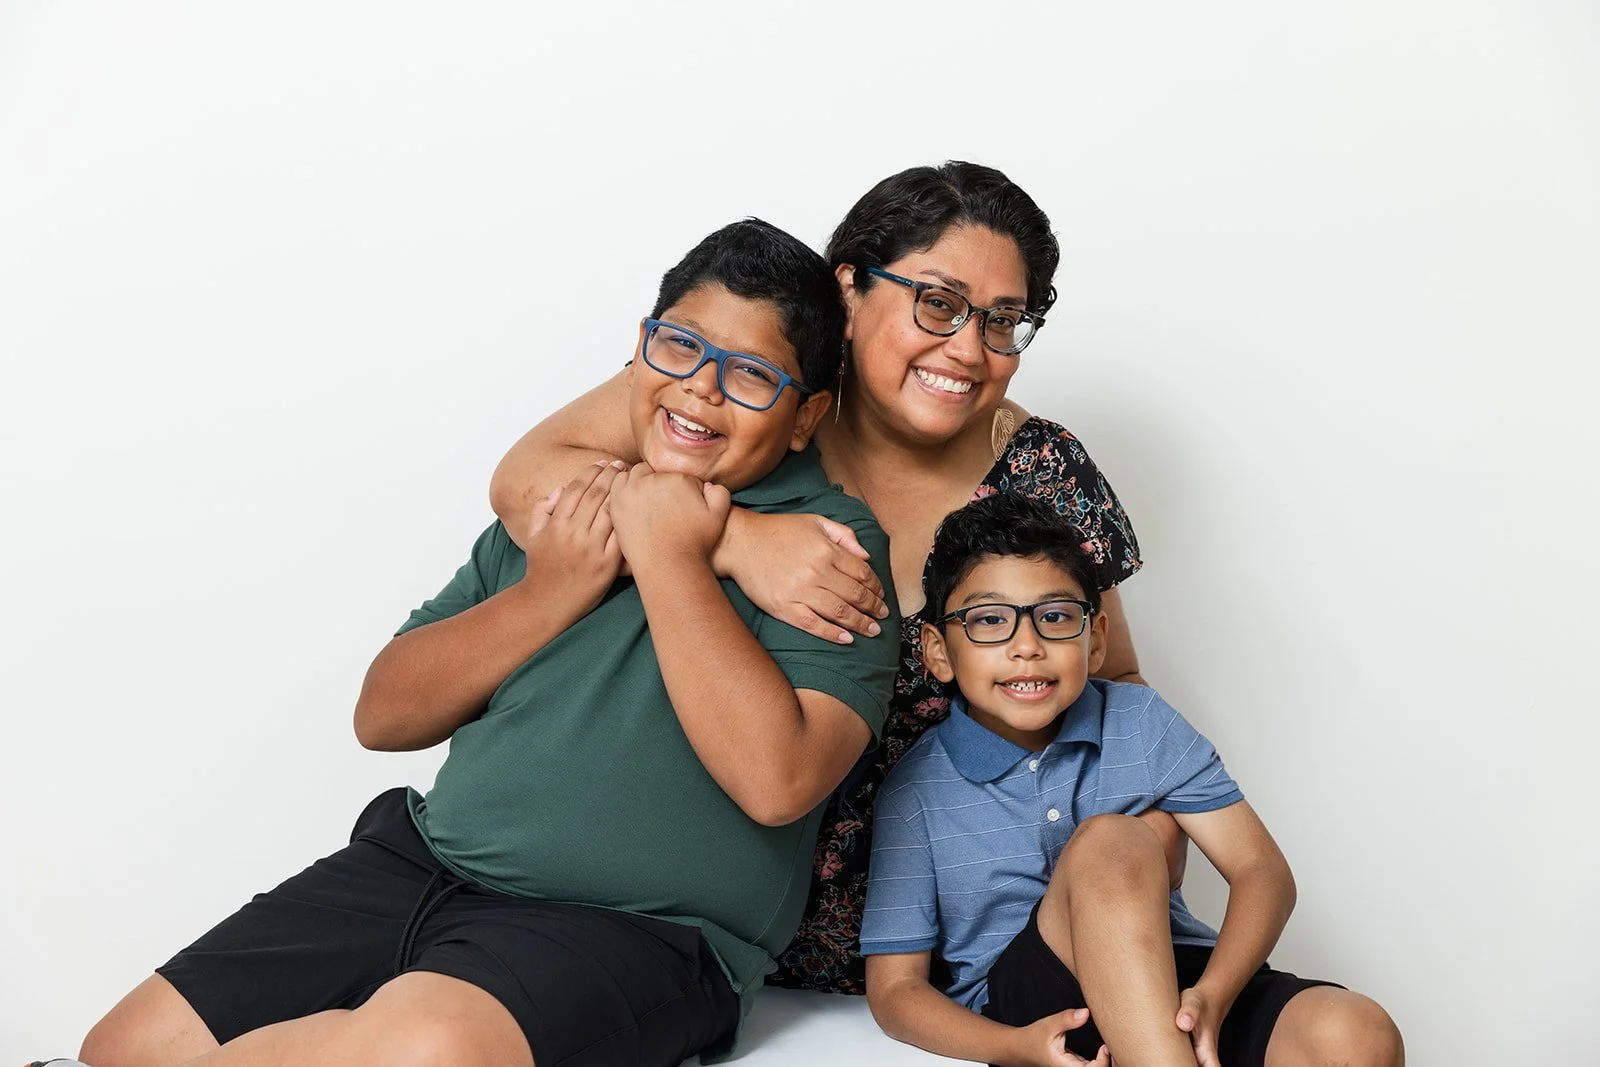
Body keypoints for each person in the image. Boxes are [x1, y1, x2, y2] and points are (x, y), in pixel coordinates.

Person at [68, 218, 900, 1067]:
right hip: (417, 866)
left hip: (634, 930)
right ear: (639, 355)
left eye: (751, 375)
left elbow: (777, 782)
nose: (698, 390)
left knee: (423, 1047)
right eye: (679, 347)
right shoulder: (571, 497)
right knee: (123, 1046)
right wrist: (549, 591)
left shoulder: (827, 556)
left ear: (806, 418)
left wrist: (672, 549)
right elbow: (382, 714)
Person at [489, 161, 1181, 994]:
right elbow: (529, 477)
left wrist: (1128, 863)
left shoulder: (1045, 473)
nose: (968, 349)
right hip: (695, 921)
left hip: (971, 955)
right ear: (848, 289)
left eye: (1004, 321)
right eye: (937, 302)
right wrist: (739, 540)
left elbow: (1117, 684)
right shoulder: (755, 391)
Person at [859, 494, 1404, 1067]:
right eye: (990, 620)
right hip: (1035, 1010)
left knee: (1358, 1034)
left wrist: (1212, 997)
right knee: (1112, 841)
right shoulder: (917, 789)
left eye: (1055, 616)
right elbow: (896, 991)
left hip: (1171, 972)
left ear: (1095, 639)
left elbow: (1261, 871)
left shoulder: (1140, 722)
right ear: (938, 651)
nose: (1027, 645)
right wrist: (1013, 1047)